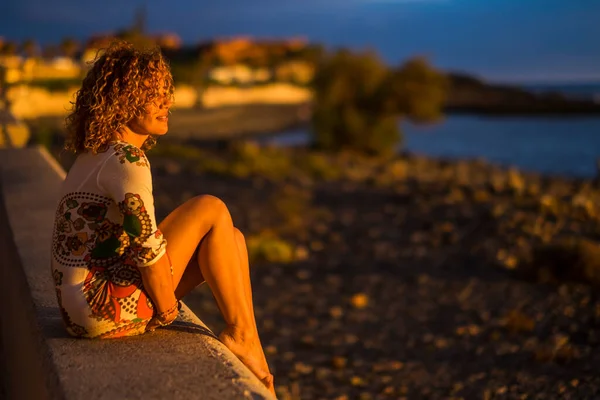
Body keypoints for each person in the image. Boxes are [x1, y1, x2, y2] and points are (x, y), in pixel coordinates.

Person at [50, 40, 275, 395]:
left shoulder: (95, 154)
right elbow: (148, 249)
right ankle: (243, 339)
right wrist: (169, 312)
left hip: (79, 312)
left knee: (231, 240)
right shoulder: (126, 160)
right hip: (102, 309)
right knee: (211, 206)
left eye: (166, 93)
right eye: (154, 95)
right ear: (122, 101)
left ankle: (250, 346)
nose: (167, 103)